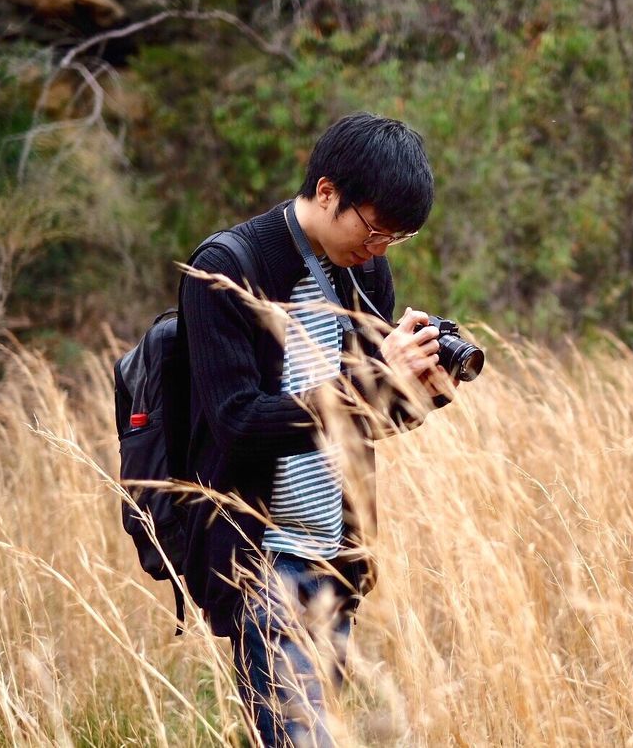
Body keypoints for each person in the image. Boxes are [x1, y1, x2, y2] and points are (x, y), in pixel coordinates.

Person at [179, 112, 453, 747]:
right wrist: (372, 380)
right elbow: (238, 424)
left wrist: (421, 388)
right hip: (264, 555)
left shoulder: (365, 272)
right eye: (376, 228)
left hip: (335, 554)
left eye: (397, 237)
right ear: (327, 192)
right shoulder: (228, 267)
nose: (381, 247)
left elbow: (364, 419)